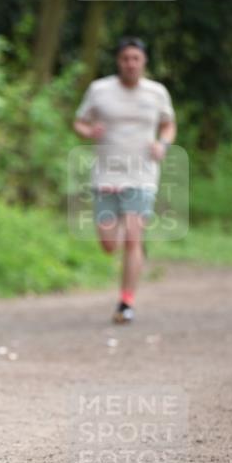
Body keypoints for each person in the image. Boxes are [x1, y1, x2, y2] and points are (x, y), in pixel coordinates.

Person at [73, 36, 176, 324]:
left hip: (142, 175)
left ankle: (126, 302)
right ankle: (135, 248)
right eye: (125, 59)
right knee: (109, 244)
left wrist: (163, 145)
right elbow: (79, 121)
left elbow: (168, 124)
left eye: (136, 59)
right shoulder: (100, 90)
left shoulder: (157, 92)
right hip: (106, 175)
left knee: (132, 236)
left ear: (144, 62)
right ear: (118, 62)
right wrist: (89, 131)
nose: (130, 64)